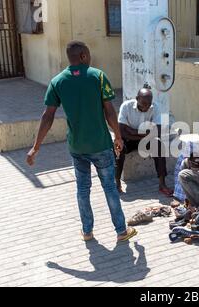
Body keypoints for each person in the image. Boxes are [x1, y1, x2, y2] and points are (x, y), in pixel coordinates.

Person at [26, 41, 137, 242]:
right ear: (84, 56)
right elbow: (109, 110)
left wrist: (36, 147)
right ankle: (121, 231)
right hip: (100, 145)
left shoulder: (57, 81)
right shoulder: (98, 76)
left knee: (83, 189)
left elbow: (47, 116)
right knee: (110, 188)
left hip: (77, 147)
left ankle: (87, 231)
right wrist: (118, 136)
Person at [116, 87, 174, 196]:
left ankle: (162, 184)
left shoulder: (155, 107)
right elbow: (121, 131)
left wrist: (132, 131)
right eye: (143, 103)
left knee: (158, 144)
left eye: (148, 104)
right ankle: (117, 181)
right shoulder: (126, 106)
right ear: (137, 98)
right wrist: (142, 134)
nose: (146, 107)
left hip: (144, 140)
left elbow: (157, 130)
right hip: (129, 140)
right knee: (119, 147)